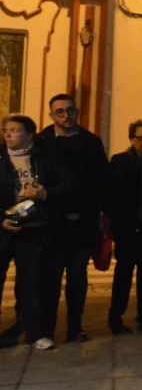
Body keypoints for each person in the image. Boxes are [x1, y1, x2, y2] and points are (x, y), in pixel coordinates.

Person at [37, 93, 108, 342]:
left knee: (78, 277)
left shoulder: (91, 142)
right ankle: (46, 330)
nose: (66, 116)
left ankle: (75, 327)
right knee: (50, 279)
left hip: (82, 221)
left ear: (77, 112)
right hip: (52, 223)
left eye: (70, 110)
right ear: (51, 115)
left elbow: (101, 179)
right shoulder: (42, 142)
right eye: (60, 111)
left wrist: (101, 213)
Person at [1, 114, 72, 350]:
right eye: (6, 130)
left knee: (31, 282)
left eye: (15, 130)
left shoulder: (44, 156)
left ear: (29, 134)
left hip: (33, 228)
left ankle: (36, 333)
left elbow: (68, 183)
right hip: (3, 226)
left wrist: (45, 194)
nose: (9, 134)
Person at [106, 119, 142, 333]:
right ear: (132, 139)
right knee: (125, 271)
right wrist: (140, 203)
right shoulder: (120, 161)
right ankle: (116, 315)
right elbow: (114, 192)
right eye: (141, 138)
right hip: (128, 224)